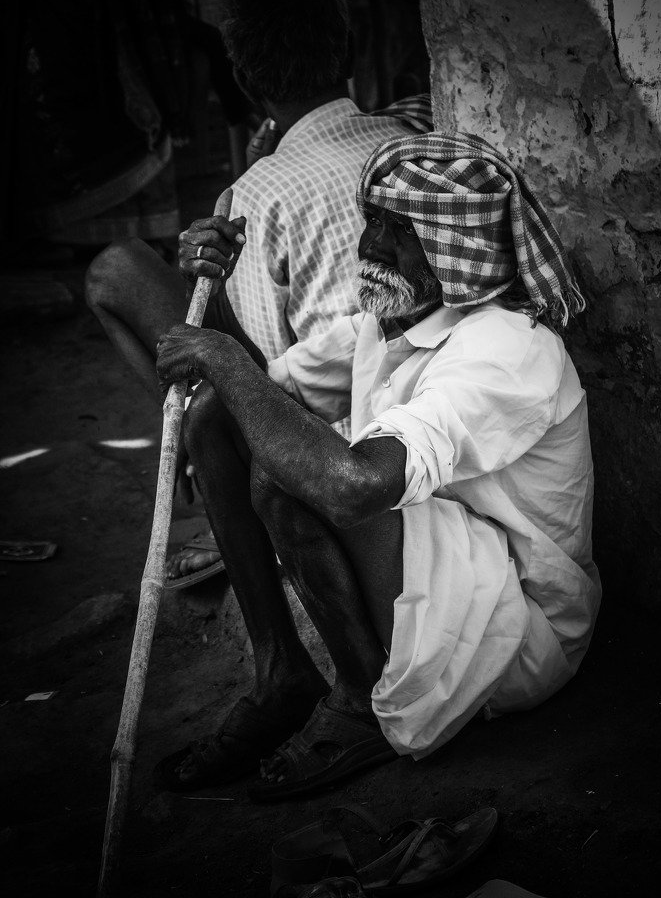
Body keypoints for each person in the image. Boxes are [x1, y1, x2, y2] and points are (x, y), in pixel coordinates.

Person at [154, 130, 601, 799]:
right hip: (433, 579)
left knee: (296, 474)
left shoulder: (505, 349)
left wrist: (222, 356)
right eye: (377, 221)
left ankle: (360, 699)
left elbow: (354, 487)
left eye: (403, 231)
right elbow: (257, 402)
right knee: (216, 416)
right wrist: (215, 294)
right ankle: (281, 675)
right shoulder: (392, 320)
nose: (373, 245)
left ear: (461, 249)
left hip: (515, 630)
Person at [85, 0, 432, 584]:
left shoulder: (256, 193)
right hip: (413, 422)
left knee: (119, 275)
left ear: (245, 81)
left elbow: (265, 374)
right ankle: (202, 448)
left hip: (332, 452)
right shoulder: (412, 134)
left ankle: (212, 473)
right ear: (349, 52)